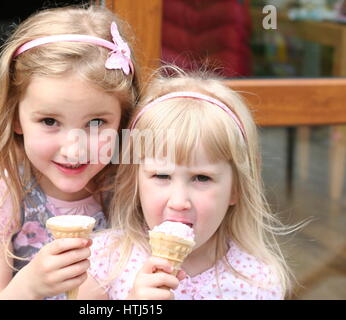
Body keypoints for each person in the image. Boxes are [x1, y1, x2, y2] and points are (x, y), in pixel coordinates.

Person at [0, 5, 140, 300]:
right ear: (15, 117)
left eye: (96, 123)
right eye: (50, 121)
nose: (73, 148)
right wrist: (30, 286)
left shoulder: (131, 182)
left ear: (123, 120)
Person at [78, 67, 299, 300]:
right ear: (136, 181)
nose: (179, 201)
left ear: (236, 188)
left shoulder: (258, 282)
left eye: (202, 178)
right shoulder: (102, 262)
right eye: (162, 176)